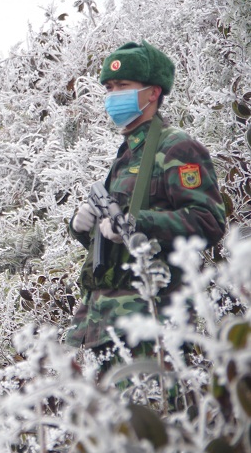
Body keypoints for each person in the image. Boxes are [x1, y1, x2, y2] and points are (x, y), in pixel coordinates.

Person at [67, 40, 227, 365]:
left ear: (153, 93)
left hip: (151, 321)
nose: (113, 96)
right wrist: (84, 228)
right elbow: (118, 244)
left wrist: (138, 222)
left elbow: (208, 221)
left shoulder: (177, 149)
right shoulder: (127, 155)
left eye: (123, 86)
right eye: (109, 88)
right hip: (103, 323)